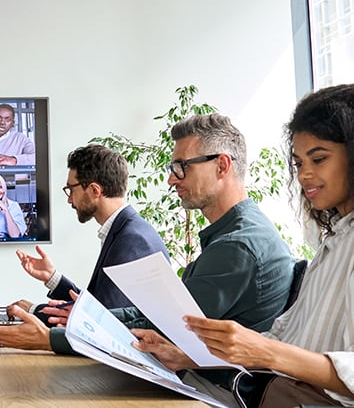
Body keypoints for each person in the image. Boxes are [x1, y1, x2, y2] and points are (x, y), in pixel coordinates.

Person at [0, 115, 293, 366]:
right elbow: (153, 315)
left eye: (180, 167)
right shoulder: (230, 236)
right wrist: (74, 313)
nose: (171, 178)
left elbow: (167, 326)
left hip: (208, 390)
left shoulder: (237, 245)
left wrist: (50, 333)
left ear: (222, 165)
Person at [134, 84, 354, 407]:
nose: (305, 174)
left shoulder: (242, 244)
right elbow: (281, 339)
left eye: (318, 159)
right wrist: (188, 357)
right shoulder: (334, 239)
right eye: (298, 163)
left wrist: (264, 351)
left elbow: (275, 350)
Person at [0, 144, 168, 343]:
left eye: (71, 190)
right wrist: (52, 278)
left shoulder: (132, 239)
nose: (70, 200)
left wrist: (34, 311)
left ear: (95, 190)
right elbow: (97, 308)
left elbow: (102, 322)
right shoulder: (125, 229)